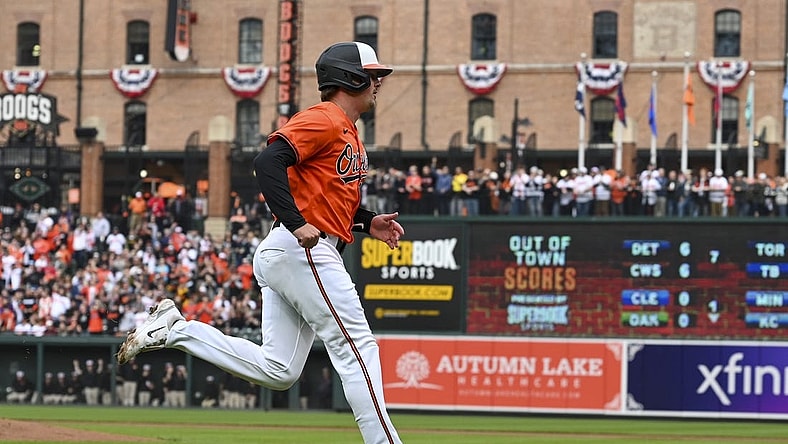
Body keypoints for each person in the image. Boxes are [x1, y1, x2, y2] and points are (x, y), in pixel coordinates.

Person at [117, 41, 403, 443]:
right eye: (373, 76)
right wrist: (295, 221)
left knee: (279, 370)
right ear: (350, 78)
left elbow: (325, 197)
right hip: (302, 250)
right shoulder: (325, 118)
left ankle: (176, 330)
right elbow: (267, 161)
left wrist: (367, 221)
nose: (378, 83)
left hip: (292, 250)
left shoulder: (348, 131)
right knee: (357, 347)